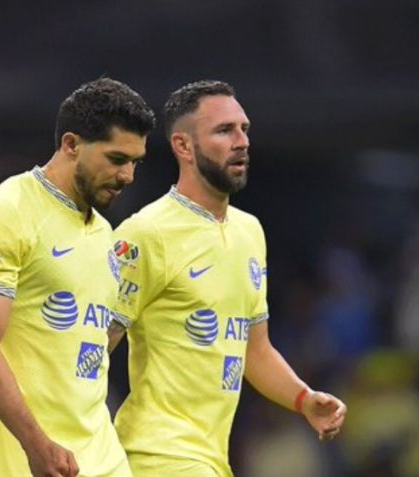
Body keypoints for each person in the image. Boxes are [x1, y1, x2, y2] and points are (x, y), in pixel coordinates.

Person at [107, 80, 347, 477]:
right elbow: (94, 346)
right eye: (224, 130)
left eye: (244, 129)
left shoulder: (248, 231)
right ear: (183, 146)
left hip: (213, 460)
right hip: (157, 456)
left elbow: (255, 349)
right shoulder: (145, 234)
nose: (242, 141)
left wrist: (303, 398)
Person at [0, 77, 156, 477]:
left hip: (102, 455)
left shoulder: (104, 233)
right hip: (25, 457)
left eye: (136, 162)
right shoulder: (7, 212)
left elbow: (93, 344)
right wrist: (37, 444)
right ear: (71, 144)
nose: (128, 175)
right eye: (117, 159)